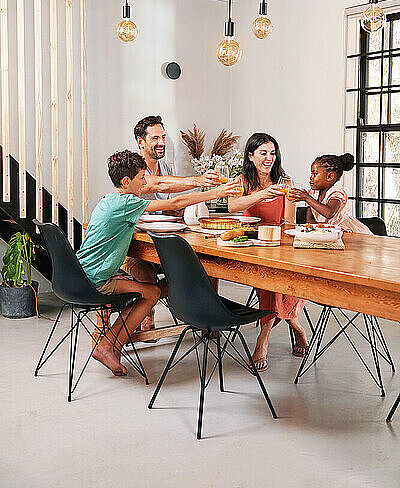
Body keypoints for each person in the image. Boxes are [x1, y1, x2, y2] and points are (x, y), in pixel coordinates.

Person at [77, 150, 239, 376]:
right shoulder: (126, 202)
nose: (145, 183)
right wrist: (214, 193)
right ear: (126, 182)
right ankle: (107, 346)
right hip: (97, 278)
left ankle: (110, 344)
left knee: (152, 290)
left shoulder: (111, 200)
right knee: (152, 293)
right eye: (141, 178)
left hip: (83, 273)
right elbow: (176, 202)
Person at [228, 132, 308, 372]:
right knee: (271, 281)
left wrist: (281, 242)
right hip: (253, 246)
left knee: (277, 281)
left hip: (280, 245)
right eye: (263, 153)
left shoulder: (286, 184)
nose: (269, 158)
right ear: (251, 156)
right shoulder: (242, 182)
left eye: (272, 153)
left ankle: (264, 338)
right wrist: (261, 194)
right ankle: (297, 327)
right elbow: (231, 206)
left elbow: (290, 223)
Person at [289, 152, 372, 233]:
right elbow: (310, 219)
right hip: (331, 234)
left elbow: (329, 212)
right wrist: (318, 231)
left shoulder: (336, 192)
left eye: (315, 174)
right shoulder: (313, 194)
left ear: (330, 177)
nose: (311, 178)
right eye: (311, 174)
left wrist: (307, 198)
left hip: (352, 234)